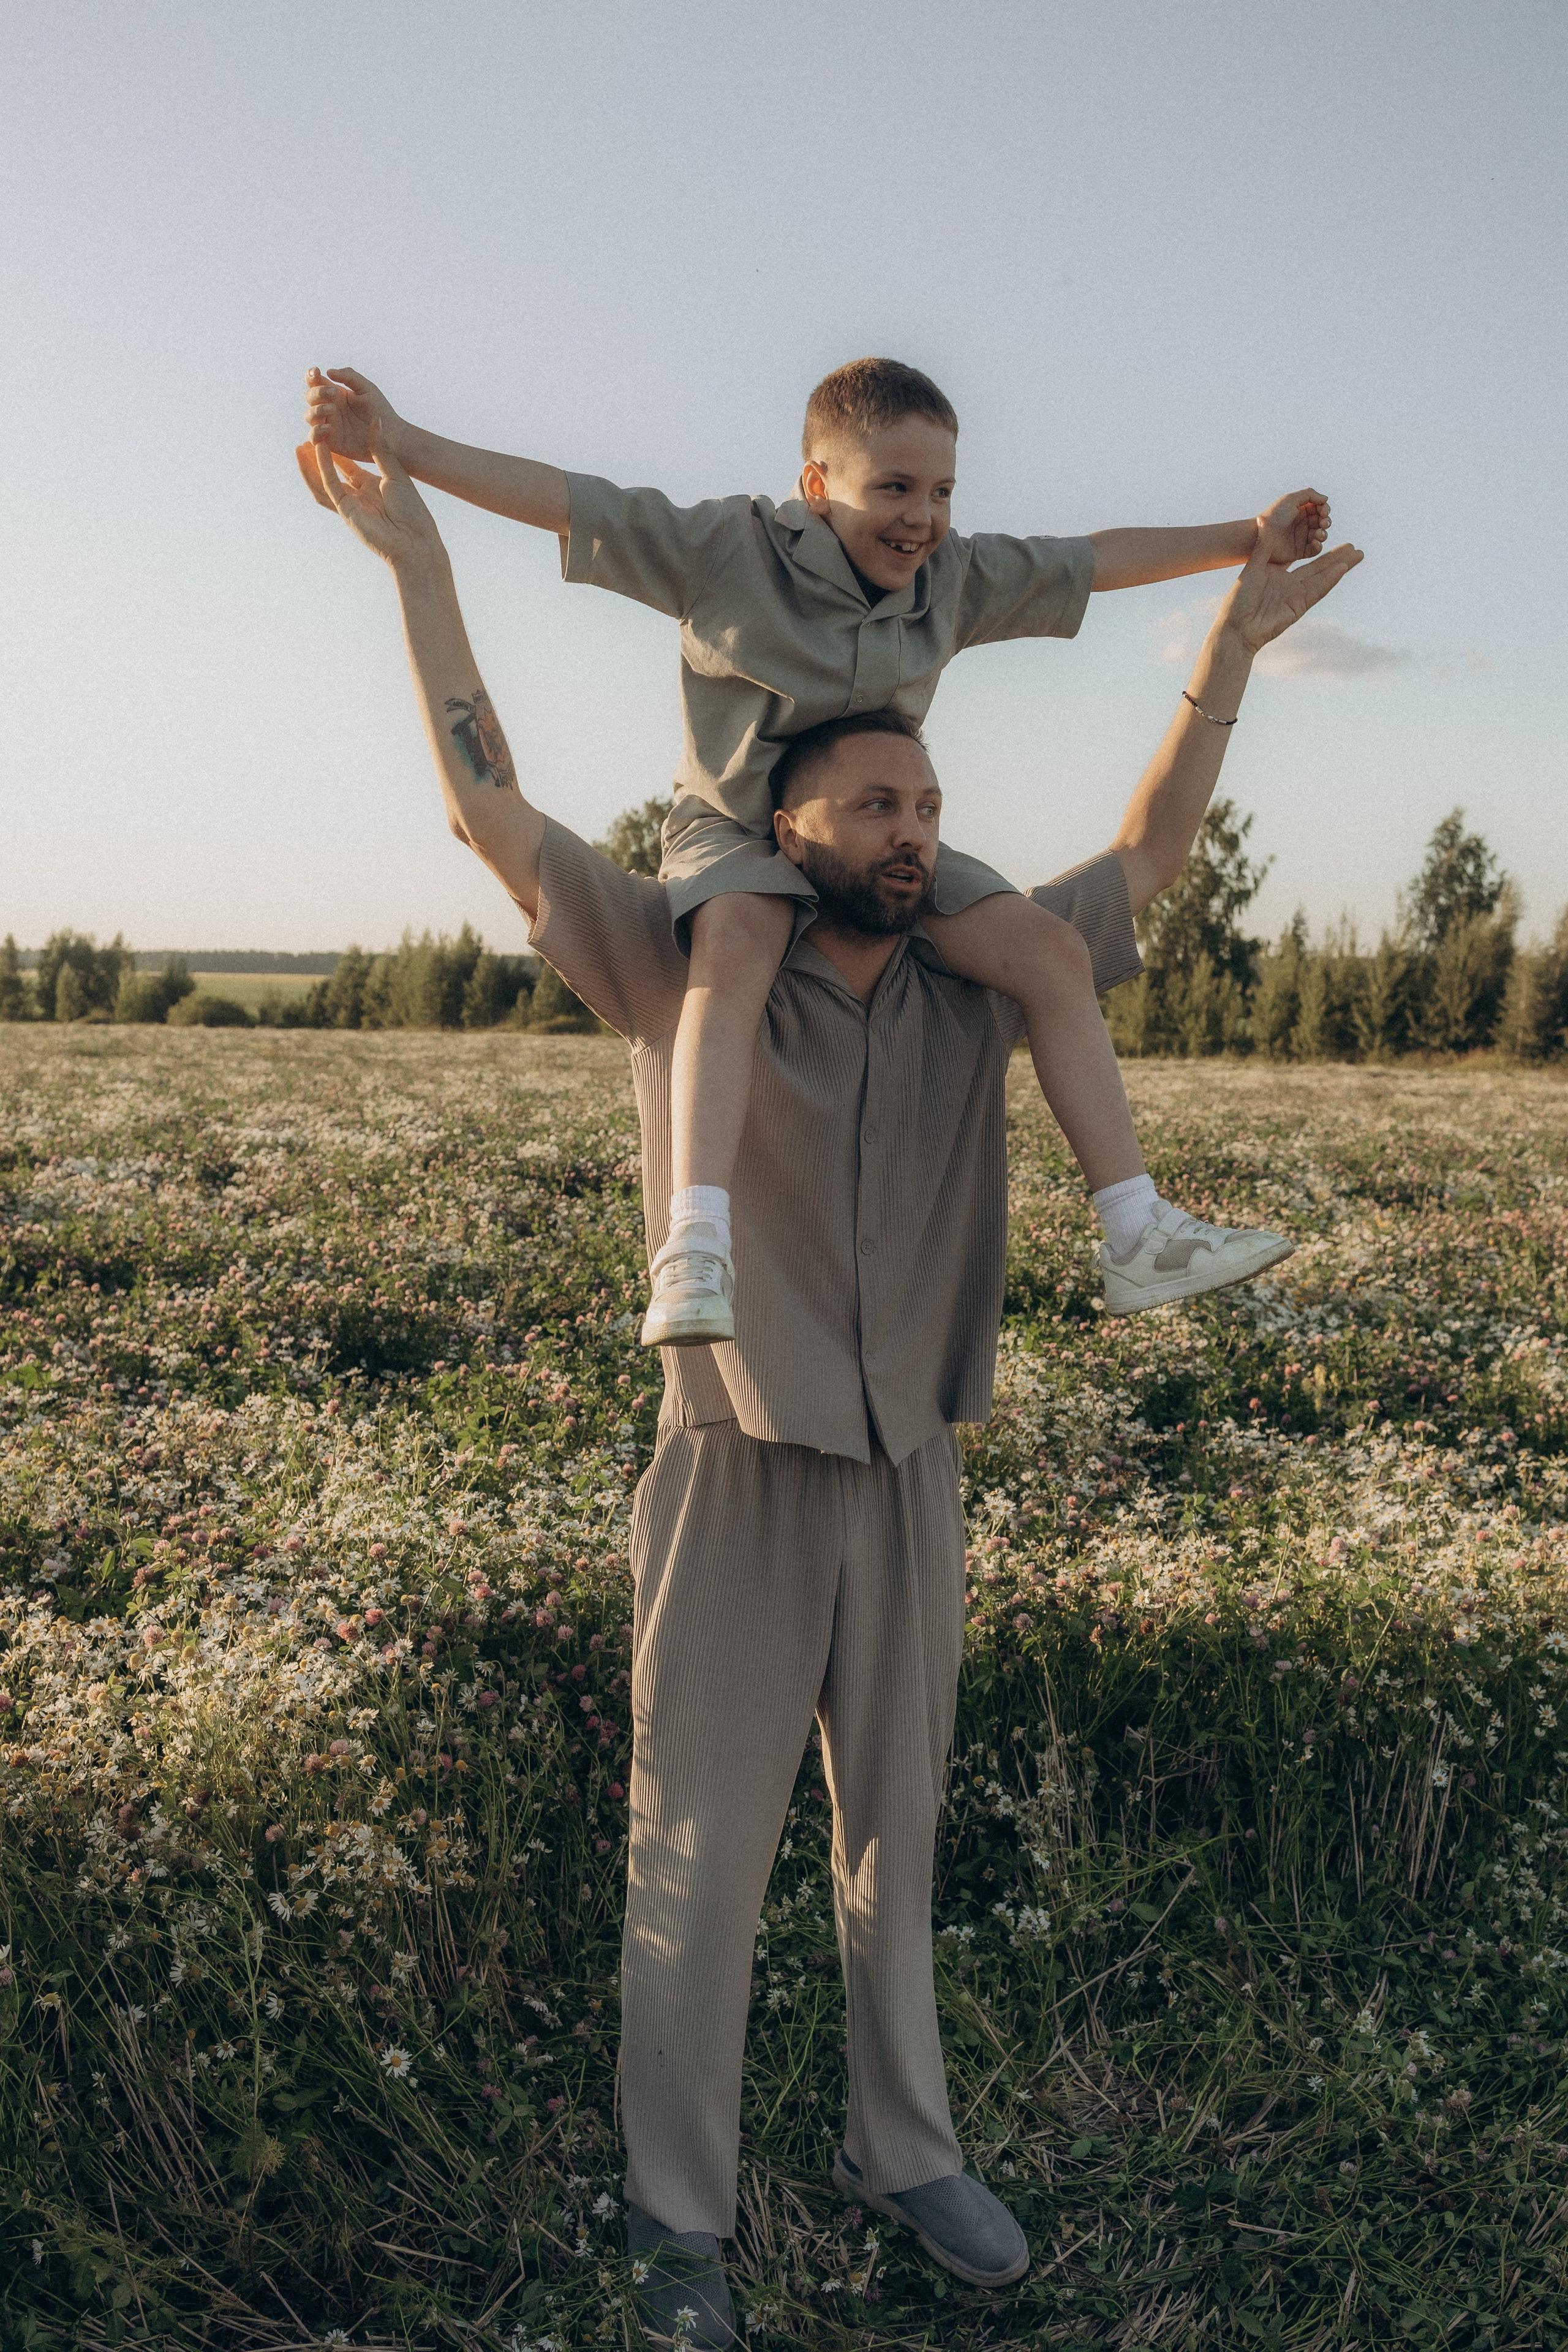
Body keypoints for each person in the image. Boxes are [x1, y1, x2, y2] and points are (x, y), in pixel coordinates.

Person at [304, 424, 1361, 2348]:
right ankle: (675, 2223)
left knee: (900, 1833)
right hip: (732, 1468)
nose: (906, 825)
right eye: (873, 798)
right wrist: (418, 572)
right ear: (783, 820)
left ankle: (907, 2145)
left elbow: (1158, 848)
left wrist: (1235, 633)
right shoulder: (680, 953)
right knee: (697, 1850)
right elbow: (491, 805)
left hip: (909, 1469)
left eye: (926, 800)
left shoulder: (976, 968)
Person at [300, 359, 1327, 1346]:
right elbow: (569, 500)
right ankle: (695, 1242)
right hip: (733, 830)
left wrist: (1247, 541)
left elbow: (1096, 562)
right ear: (816, 483)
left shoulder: (951, 580)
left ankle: (1137, 1227)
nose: (921, 517)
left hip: (871, 830)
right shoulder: (726, 550)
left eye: (942, 490)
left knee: (1053, 955)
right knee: (739, 940)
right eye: (892, 486)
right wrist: (404, 445)